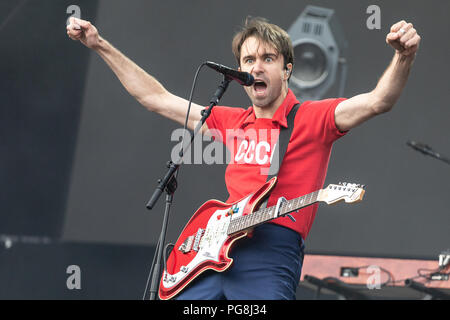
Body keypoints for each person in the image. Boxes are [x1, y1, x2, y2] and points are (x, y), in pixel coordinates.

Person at [67, 16, 421, 300]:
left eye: (269, 59)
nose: (258, 67)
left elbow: (378, 101)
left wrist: (403, 56)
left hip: (271, 253)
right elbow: (155, 97)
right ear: (239, 74)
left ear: (287, 69)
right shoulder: (232, 120)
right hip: (214, 252)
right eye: (249, 60)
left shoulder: (313, 117)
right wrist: (100, 45)